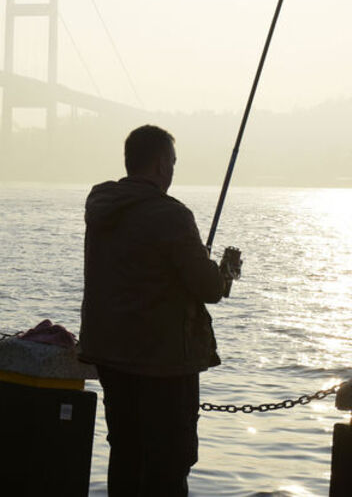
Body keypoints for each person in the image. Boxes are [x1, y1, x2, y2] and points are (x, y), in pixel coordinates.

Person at [79, 125, 237, 496]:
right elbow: (209, 288)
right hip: (163, 362)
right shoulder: (171, 215)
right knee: (170, 461)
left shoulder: (102, 207)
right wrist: (226, 270)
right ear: (161, 164)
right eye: (173, 163)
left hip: (111, 355)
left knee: (126, 452)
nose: (172, 172)